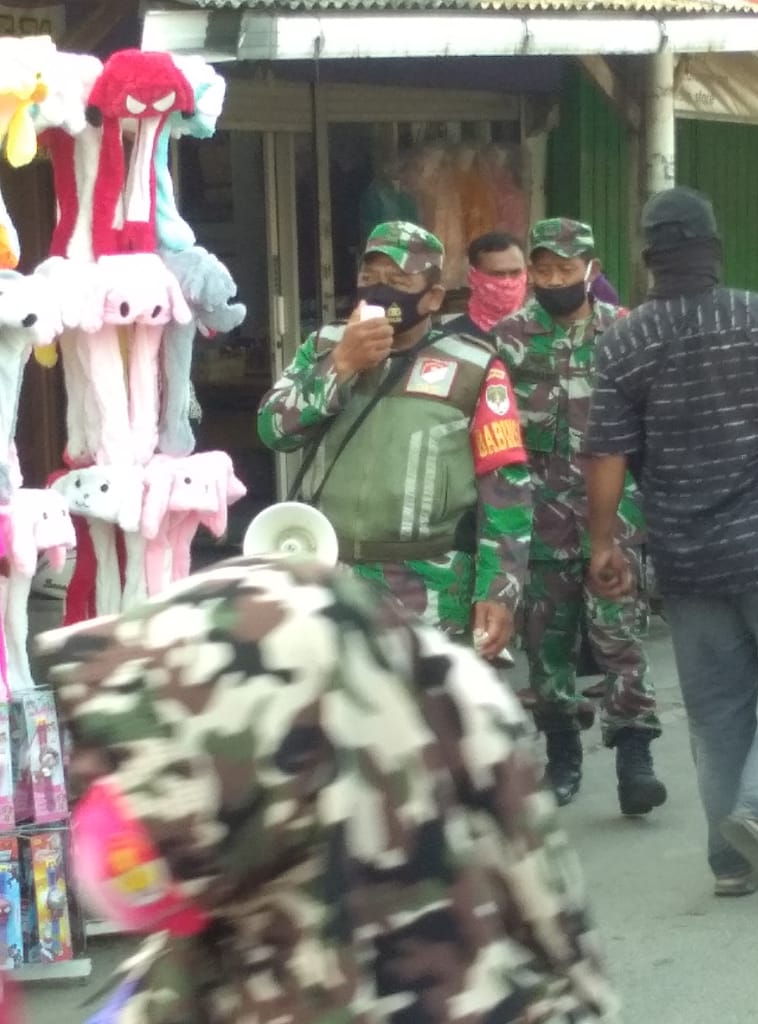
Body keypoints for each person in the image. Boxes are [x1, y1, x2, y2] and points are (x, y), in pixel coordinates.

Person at [33, 556, 620, 1023]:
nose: (109, 794)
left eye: (157, 763)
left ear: (284, 772)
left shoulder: (445, 995)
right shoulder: (225, 940)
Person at [583, 186, 758, 897]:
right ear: (715, 250)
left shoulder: (623, 341)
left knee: (718, 712)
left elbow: (604, 456)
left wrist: (603, 544)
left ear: (648, 259)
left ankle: (731, 864)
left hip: (686, 558)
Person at [257, 222, 532, 662]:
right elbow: (273, 430)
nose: (380, 290)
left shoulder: (474, 366)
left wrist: (499, 589)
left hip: (430, 588)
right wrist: (340, 365)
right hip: (328, 576)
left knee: (422, 705)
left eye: (398, 281)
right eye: (370, 278)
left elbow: (506, 489)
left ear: (433, 297)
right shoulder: (325, 346)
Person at [492, 217, 665, 816]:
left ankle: (635, 757)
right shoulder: (509, 338)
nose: (553, 279)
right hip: (539, 520)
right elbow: (493, 430)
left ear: (591, 270)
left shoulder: (627, 332)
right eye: (542, 269)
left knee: (620, 637)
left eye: (565, 269)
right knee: (547, 646)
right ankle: (562, 752)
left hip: (612, 518)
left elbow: (654, 425)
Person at [443, 230, 528, 341]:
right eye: (498, 274)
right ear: (473, 277)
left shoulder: (544, 334)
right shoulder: (448, 339)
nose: (508, 282)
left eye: (515, 272)